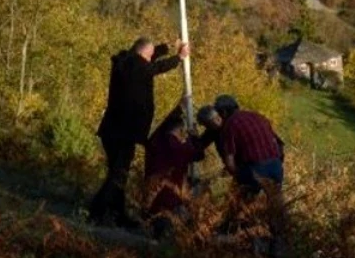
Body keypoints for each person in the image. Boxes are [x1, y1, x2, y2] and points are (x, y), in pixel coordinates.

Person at [88, 36, 189, 228]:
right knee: (118, 174)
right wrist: (178, 58)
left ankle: (117, 214)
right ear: (144, 54)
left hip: (115, 130)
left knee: (118, 174)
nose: (152, 57)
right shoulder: (137, 67)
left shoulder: (127, 61)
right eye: (150, 55)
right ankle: (96, 211)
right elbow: (154, 68)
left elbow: (146, 56)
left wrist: (165, 48)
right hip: (123, 131)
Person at [142, 99, 207, 237]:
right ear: (181, 130)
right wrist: (194, 138)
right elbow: (199, 155)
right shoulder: (180, 148)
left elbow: (161, 128)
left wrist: (178, 108)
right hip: (170, 204)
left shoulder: (155, 144)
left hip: (152, 202)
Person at [213, 94, 284, 196]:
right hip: (276, 165)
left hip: (255, 170)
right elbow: (280, 144)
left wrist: (238, 177)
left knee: (240, 203)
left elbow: (230, 163)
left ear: (224, 112)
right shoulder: (257, 116)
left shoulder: (229, 125)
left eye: (219, 114)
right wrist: (278, 163)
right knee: (276, 204)